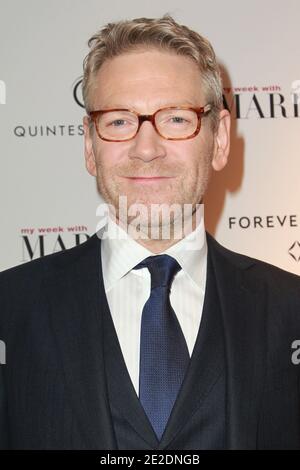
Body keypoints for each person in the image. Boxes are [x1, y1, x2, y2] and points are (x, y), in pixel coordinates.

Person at [0, 14, 300, 450]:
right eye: (119, 121)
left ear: (219, 142)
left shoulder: (291, 312)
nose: (146, 149)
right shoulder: (10, 310)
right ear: (89, 145)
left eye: (177, 119)